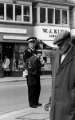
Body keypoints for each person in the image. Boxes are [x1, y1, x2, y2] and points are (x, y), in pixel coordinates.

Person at [50, 31, 75, 120]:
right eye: (57, 45)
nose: (59, 47)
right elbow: (54, 80)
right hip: (55, 108)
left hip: (69, 109)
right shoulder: (56, 55)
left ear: (68, 40)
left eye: (61, 44)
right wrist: (51, 100)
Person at [23, 37, 43, 108]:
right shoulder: (27, 52)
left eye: (33, 43)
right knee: (32, 88)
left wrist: (41, 61)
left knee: (38, 88)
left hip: (37, 72)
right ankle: (32, 103)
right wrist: (36, 57)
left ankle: (36, 102)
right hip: (30, 72)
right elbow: (27, 61)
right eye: (31, 43)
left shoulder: (36, 51)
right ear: (28, 44)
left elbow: (40, 61)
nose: (32, 44)